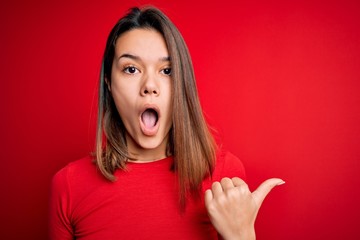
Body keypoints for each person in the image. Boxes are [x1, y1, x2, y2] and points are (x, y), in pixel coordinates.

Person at [49, 6, 284, 240]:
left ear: (182, 82)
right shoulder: (69, 186)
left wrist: (241, 235)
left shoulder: (223, 176)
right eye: (131, 69)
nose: (150, 85)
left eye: (167, 70)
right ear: (109, 83)